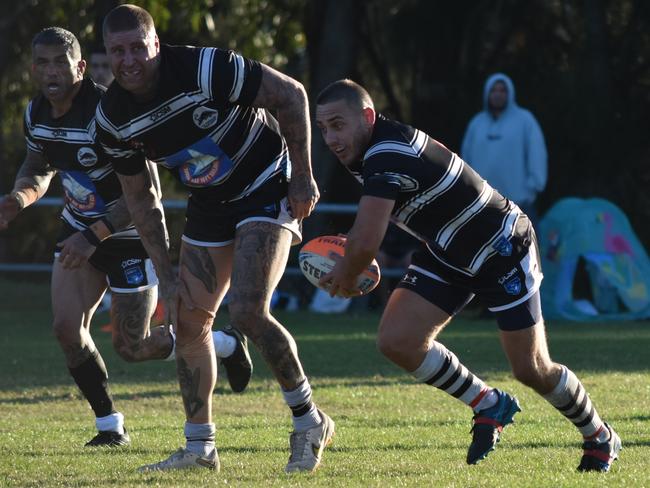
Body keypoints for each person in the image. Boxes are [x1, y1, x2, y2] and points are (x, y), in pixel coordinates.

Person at [315, 79, 620, 473]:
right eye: (322, 128)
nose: (330, 138)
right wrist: (351, 250)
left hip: (501, 247)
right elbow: (369, 231)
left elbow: (366, 243)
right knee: (398, 341)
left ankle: (599, 435)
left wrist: (345, 271)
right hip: (448, 249)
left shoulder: (386, 153)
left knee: (531, 368)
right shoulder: (371, 151)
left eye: (337, 124)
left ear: (368, 117)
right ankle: (489, 404)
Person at [95, 4, 334, 473]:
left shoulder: (204, 67)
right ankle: (200, 448)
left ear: (156, 45)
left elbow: (292, 95)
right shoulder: (112, 118)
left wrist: (303, 175)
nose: (128, 60)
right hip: (209, 203)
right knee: (186, 320)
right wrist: (165, 274)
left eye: (137, 47)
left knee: (246, 311)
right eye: (117, 51)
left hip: (265, 184)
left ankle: (309, 420)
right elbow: (142, 200)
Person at [0, 27, 252, 448]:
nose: (50, 71)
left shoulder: (110, 113)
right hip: (79, 230)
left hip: (131, 237)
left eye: (59, 62)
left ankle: (224, 343)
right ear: (32, 70)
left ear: (80, 67)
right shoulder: (35, 113)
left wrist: (94, 235)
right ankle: (109, 425)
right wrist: (20, 197)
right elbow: (38, 165)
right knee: (66, 328)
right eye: (41, 63)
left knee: (131, 346)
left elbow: (145, 194)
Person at [461, 73, 547, 225]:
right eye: (494, 90)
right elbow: (465, 158)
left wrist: (533, 186)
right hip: (482, 202)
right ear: (487, 93)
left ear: (510, 93)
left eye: (502, 91)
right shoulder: (477, 123)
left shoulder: (525, 120)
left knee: (525, 248)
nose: (498, 94)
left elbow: (537, 154)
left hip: (519, 203)